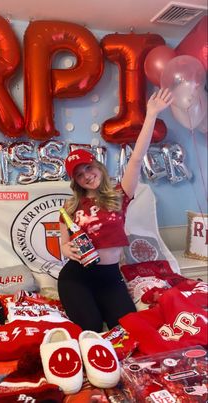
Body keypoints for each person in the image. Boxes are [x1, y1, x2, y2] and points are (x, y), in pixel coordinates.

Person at [58, 88, 173, 332]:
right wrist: (68, 249)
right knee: (90, 328)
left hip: (111, 279)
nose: (87, 176)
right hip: (77, 278)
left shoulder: (120, 195)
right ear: (75, 181)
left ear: (98, 167)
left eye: (89, 168)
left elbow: (137, 157)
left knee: (128, 330)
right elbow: (64, 246)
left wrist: (151, 114)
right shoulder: (70, 208)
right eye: (79, 175)